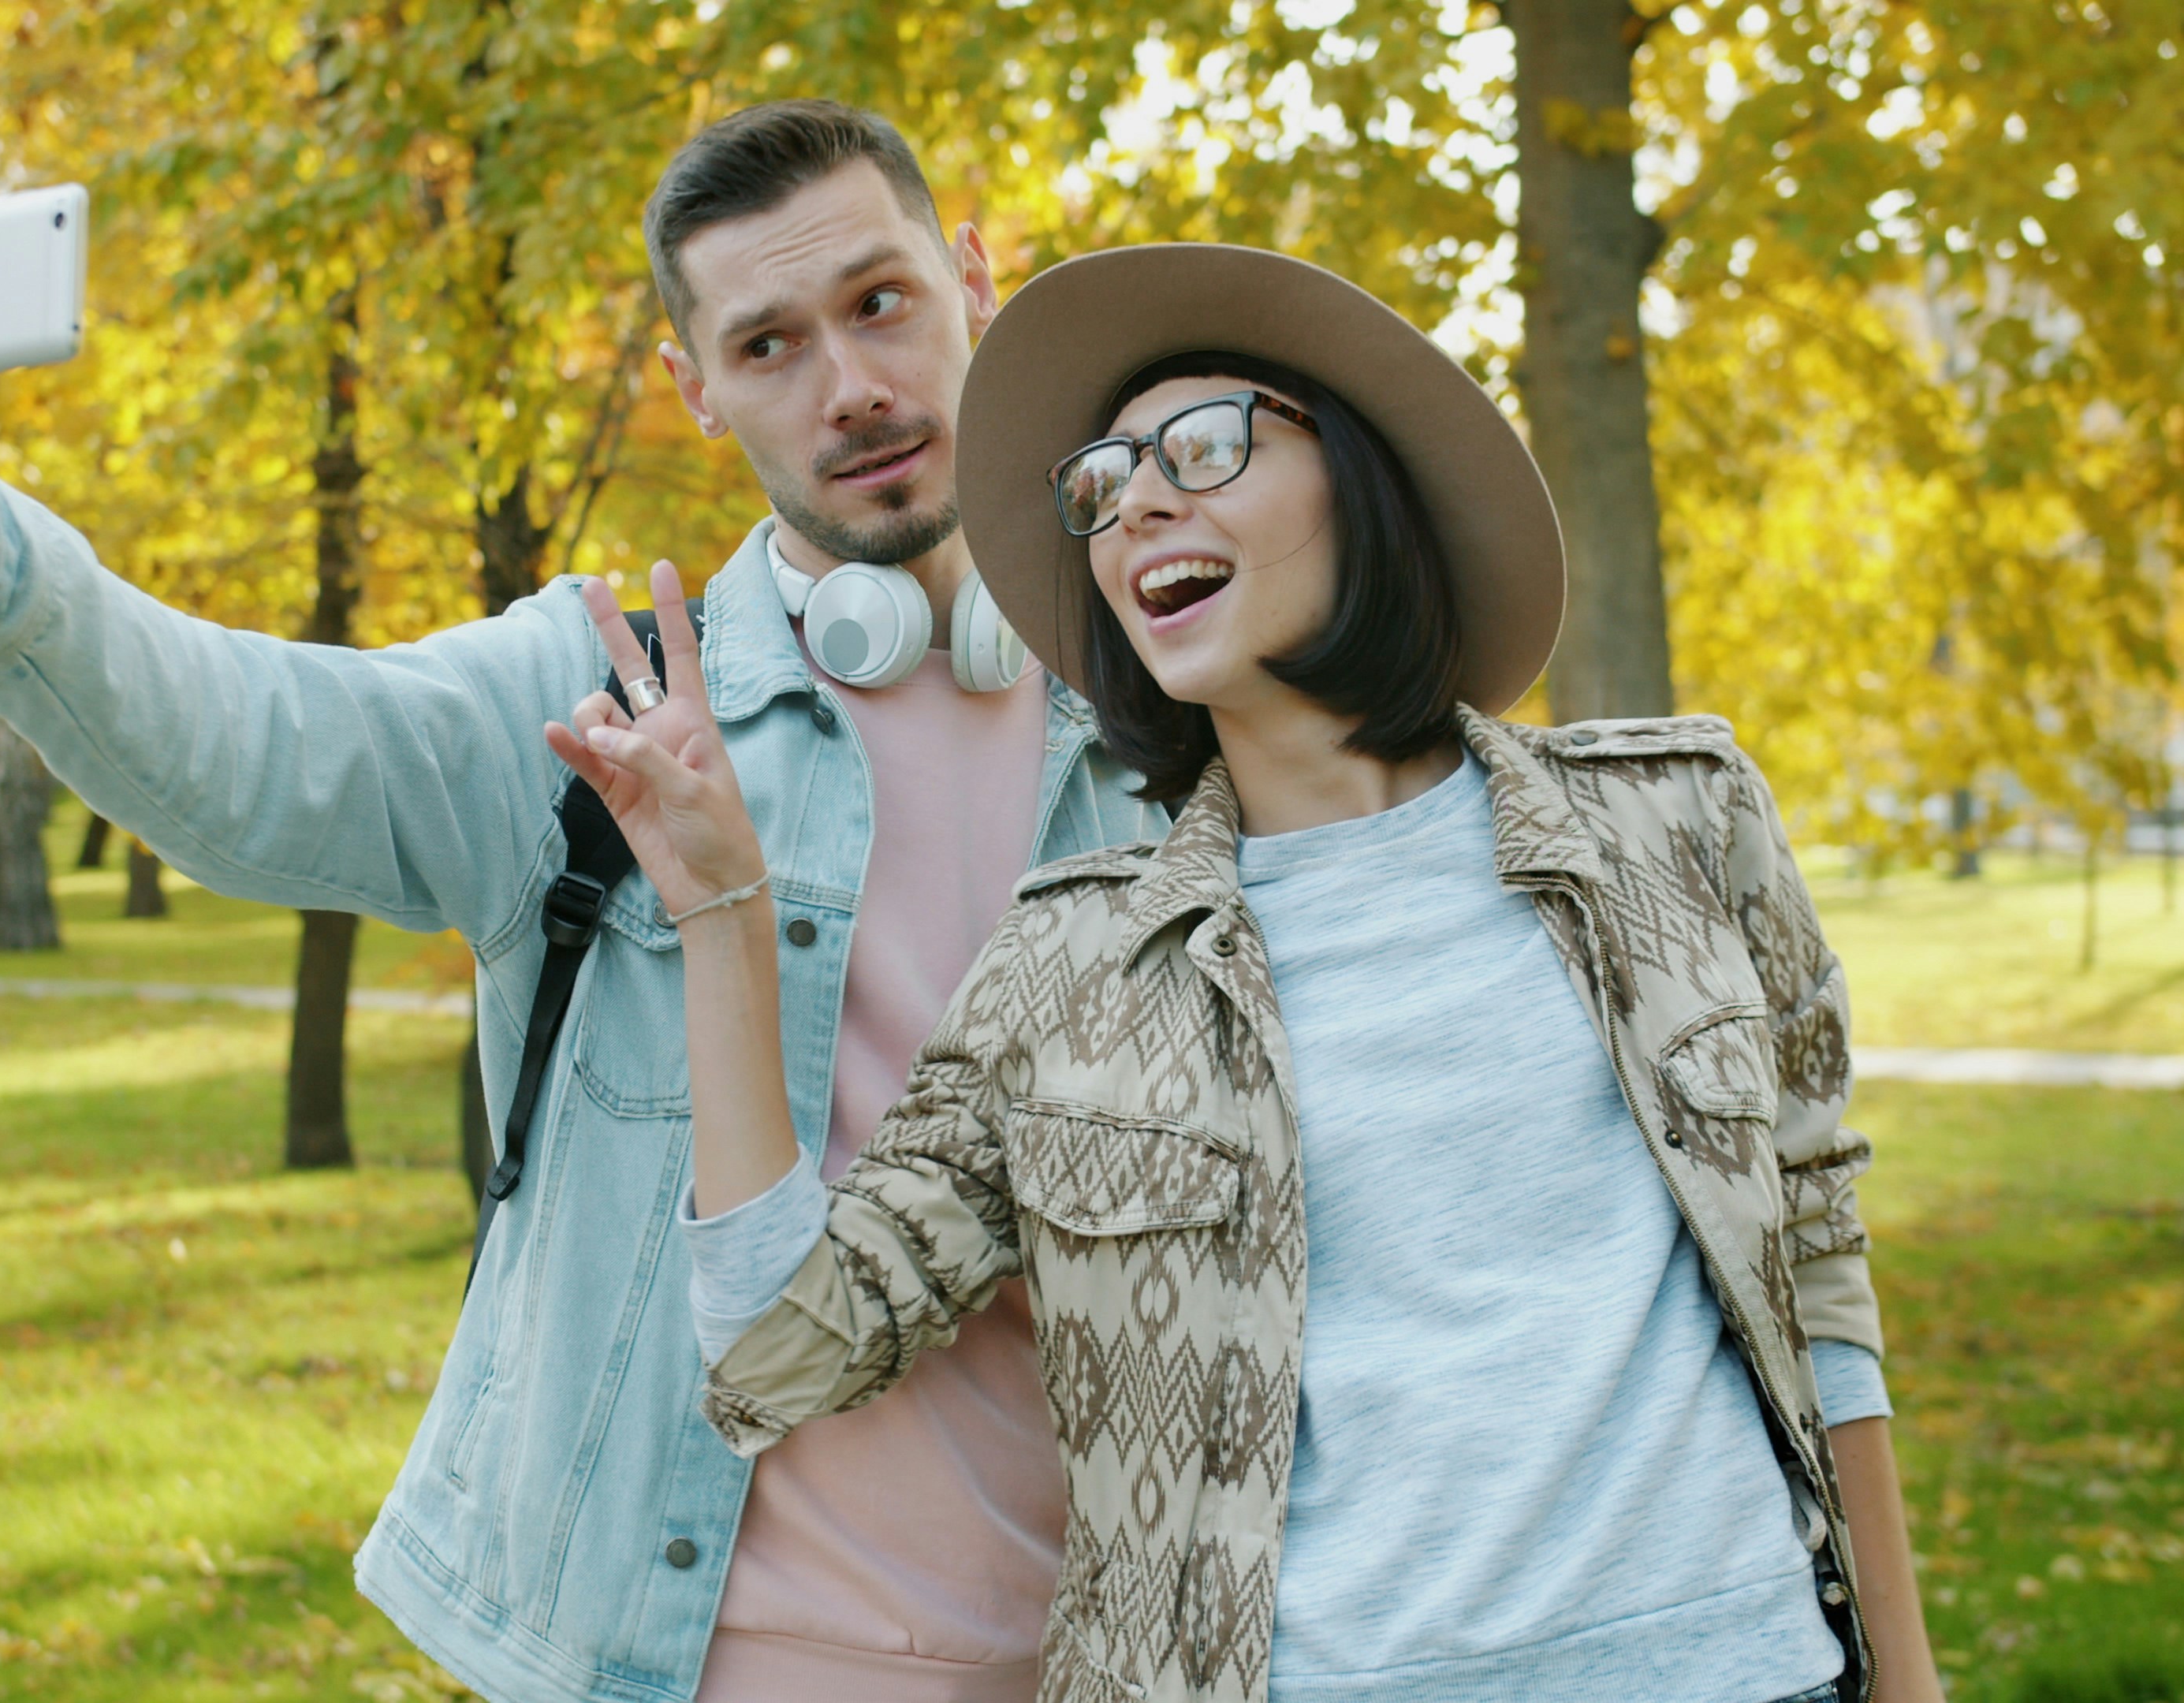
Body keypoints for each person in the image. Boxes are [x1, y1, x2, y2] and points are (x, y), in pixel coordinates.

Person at [0, 103, 1166, 1701]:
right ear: (692, 391)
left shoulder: (1175, 721)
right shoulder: (602, 705)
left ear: (977, 276)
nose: (848, 387)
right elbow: (246, 747)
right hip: (664, 1660)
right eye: (765, 344)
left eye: (880, 303)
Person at [550, 244, 1944, 1703]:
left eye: (1206, 446)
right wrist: (721, 910)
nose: (1139, 498)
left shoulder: (1681, 817)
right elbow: (779, 1349)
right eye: (1101, 480)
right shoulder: (1069, 962)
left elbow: (1817, 1275)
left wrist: (1906, 1682)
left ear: (1360, 478)